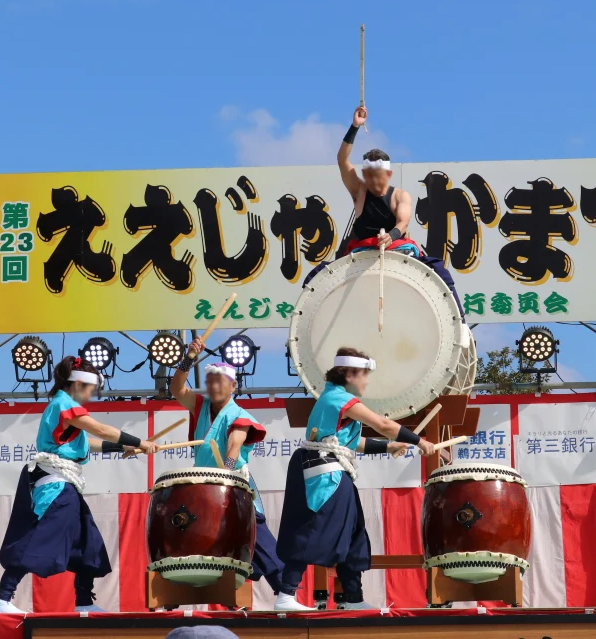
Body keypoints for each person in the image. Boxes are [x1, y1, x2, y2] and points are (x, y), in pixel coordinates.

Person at [273, 347, 437, 611]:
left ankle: (353, 597)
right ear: (349, 374)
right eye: (364, 374)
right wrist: (420, 441)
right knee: (311, 528)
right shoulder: (339, 399)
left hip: (334, 470)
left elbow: (352, 443)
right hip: (323, 472)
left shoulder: (335, 401)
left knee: (351, 531)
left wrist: (388, 447)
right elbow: (384, 425)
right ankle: (286, 595)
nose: (367, 381)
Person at [0, 357, 158, 614]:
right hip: (56, 486)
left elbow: (87, 442)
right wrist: (141, 441)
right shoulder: (63, 404)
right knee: (38, 538)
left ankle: (83, 602)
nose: (92, 395)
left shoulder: (63, 408)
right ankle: (2, 599)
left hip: (66, 485)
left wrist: (125, 447)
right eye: (91, 389)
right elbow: (100, 430)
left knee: (87, 542)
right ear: (79, 383)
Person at [300, 105, 465, 317]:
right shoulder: (359, 190)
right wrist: (354, 127)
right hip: (360, 250)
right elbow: (342, 161)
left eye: (377, 174)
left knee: (442, 273)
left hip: (396, 246)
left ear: (388, 174)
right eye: (368, 174)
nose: (372, 179)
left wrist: (391, 236)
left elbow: (403, 222)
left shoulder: (400, 196)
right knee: (314, 279)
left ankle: (459, 321)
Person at [169, 338, 284, 595]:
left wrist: (225, 474)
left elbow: (233, 447)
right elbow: (177, 389)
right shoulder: (201, 407)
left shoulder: (239, 415)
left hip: (232, 486)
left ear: (233, 385)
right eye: (209, 380)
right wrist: (189, 357)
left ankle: (285, 590)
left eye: (219, 380)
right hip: (203, 487)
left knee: (256, 539)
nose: (213, 385)